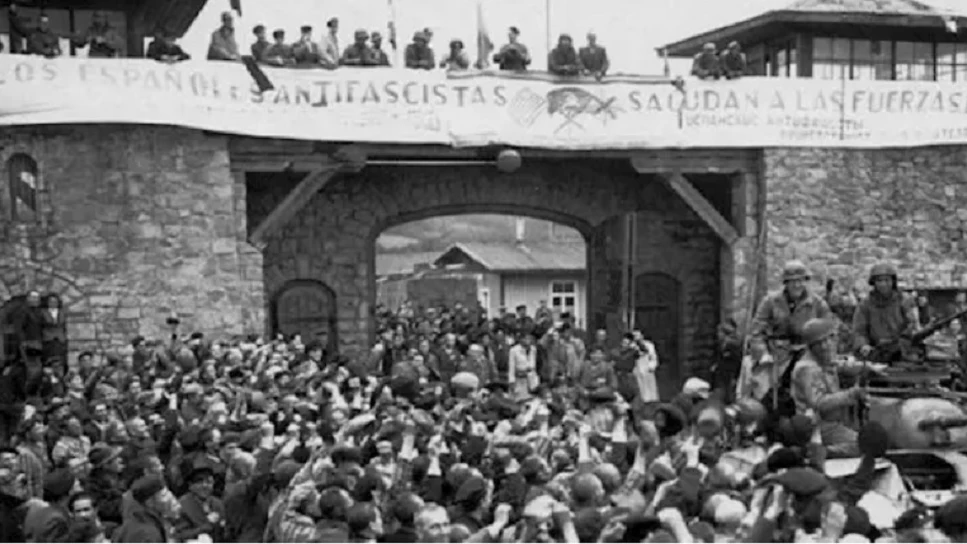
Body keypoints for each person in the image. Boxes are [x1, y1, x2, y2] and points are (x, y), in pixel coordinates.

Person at [748, 260, 831, 417]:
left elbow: (829, 329)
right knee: (760, 382)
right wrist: (762, 353)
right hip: (777, 352)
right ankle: (762, 416)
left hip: (807, 350)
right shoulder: (770, 301)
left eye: (800, 280)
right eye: (793, 282)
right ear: (786, 283)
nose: (797, 285)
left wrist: (822, 352)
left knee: (808, 379)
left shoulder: (817, 303)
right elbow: (756, 331)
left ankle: (806, 417)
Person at [791, 318, 866, 458]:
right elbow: (819, 403)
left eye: (827, 340)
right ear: (810, 347)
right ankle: (821, 452)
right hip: (818, 425)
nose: (825, 346)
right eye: (818, 343)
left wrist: (866, 367)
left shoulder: (823, 359)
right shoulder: (807, 369)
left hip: (832, 421)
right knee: (863, 445)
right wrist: (850, 395)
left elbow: (838, 364)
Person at [852, 262, 919, 362]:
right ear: (873, 282)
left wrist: (901, 343)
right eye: (879, 280)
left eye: (887, 280)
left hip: (902, 350)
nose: (883, 284)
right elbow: (859, 330)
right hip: (877, 351)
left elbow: (912, 324)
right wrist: (863, 345)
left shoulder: (904, 300)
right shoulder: (865, 304)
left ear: (893, 281)